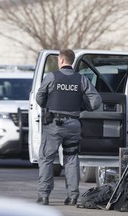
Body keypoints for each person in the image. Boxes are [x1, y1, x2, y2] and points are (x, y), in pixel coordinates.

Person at [36, 48, 102, 205]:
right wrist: (83, 107)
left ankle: (44, 196)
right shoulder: (81, 79)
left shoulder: (52, 77)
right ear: (71, 61)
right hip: (73, 124)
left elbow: (39, 98)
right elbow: (96, 100)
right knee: (71, 159)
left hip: (53, 124)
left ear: (61, 60)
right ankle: (73, 196)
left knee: (46, 158)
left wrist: (48, 106)